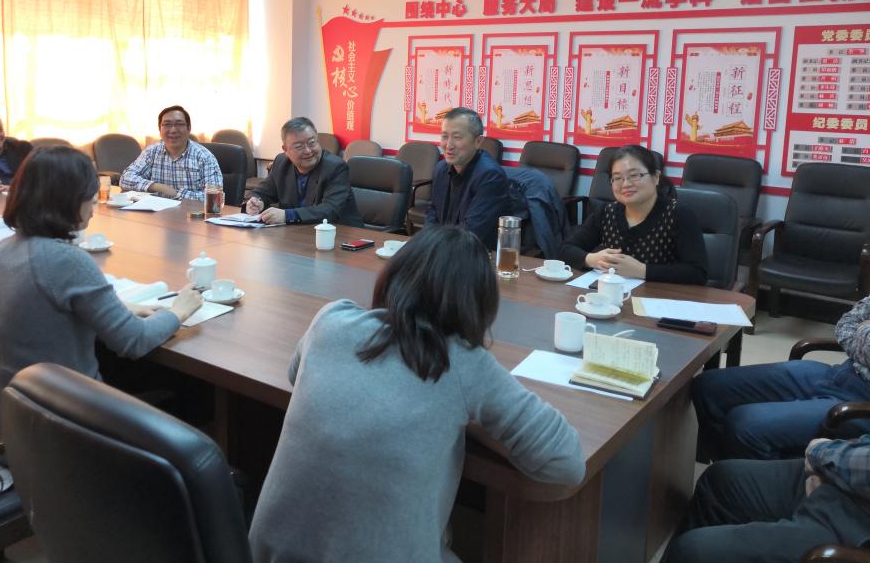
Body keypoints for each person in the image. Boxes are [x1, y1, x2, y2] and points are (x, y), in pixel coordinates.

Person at [248, 225, 585, 562]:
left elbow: (295, 375)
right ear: (477, 305)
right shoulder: (463, 363)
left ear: (395, 273)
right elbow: (567, 463)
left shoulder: (331, 320)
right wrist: (471, 420)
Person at [0, 146, 202, 438]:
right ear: (67, 199)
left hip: (8, 421)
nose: (94, 205)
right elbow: (134, 341)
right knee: (192, 395)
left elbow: (44, 309)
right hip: (64, 427)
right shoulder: (65, 259)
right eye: (89, 196)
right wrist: (179, 311)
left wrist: (119, 307)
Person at [692, 296, 870, 461]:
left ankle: (756, 479)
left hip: (862, 403)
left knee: (745, 425)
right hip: (840, 373)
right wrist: (864, 336)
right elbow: (847, 322)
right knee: (709, 386)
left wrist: (862, 329)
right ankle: (727, 469)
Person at [662, 435, 870, 563]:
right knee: (720, 479)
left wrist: (820, 452)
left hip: (856, 525)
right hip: (849, 478)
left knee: (692, 551)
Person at [559, 144, 707, 284]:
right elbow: (564, 250)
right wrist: (592, 259)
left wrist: (641, 270)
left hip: (659, 298)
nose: (626, 184)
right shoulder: (606, 212)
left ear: (656, 177)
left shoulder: (679, 214)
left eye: (634, 175)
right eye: (618, 178)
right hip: (613, 296)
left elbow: (698, 273)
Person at [243, 116, 362, 226]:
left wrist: (287, 215)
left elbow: (330, 210)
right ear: (285, 150)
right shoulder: (281, 163)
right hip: (298, 233)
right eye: (299, 146)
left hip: (339, 234)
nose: (308, 151)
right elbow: (261, 192)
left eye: (312, 143)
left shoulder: (335, 167)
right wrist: (255, 202)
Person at [424, 107, 511, 249]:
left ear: (478, 141)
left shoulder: (490, 176)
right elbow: (432, 213)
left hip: (474, 253)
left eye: (457, 137)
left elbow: (471, 233)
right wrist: (425, 243)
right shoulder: (440, 169)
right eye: (444, 136)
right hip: (443, 249)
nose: (448, 145)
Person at [119, 105, 222, 201]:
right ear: (160, 129)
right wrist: (158, 187)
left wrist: (176, 194)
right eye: (167, 124)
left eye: (179, 124)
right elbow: (125, 178)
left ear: (189, 128)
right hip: (157, 212)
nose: (173, 130)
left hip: (190, 213)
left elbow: (214, 197)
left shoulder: (204, 157)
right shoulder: (152, 152)